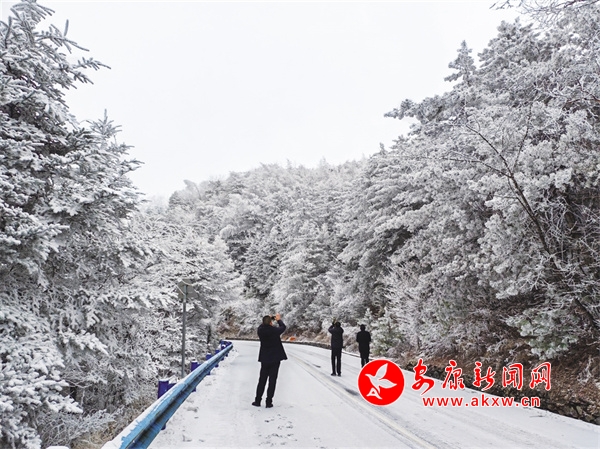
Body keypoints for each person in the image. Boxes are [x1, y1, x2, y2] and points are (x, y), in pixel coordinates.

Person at [253, 313, 287, 408]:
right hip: (275, 359)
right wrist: (278, 319)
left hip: (264, 359)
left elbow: (262, 325)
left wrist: (268, 319)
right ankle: (269, 402)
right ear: (271, 323)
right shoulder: (274, 331)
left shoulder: (260, 330)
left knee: (262, 380)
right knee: (272, 381)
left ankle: (257, 400)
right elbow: (283, 327)